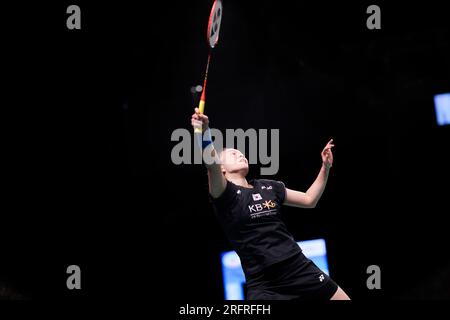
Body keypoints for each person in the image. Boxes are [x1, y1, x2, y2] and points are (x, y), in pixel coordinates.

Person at [191, 108, 350, 300]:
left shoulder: (268, 187)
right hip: (264, 284)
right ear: (222, 168)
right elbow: (210, 163)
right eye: (233, 154)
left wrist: (326, 167)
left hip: (298, 266)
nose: (241, 155)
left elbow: (309, 199)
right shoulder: (224, 196)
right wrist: (204, 131)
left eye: (242, 153)